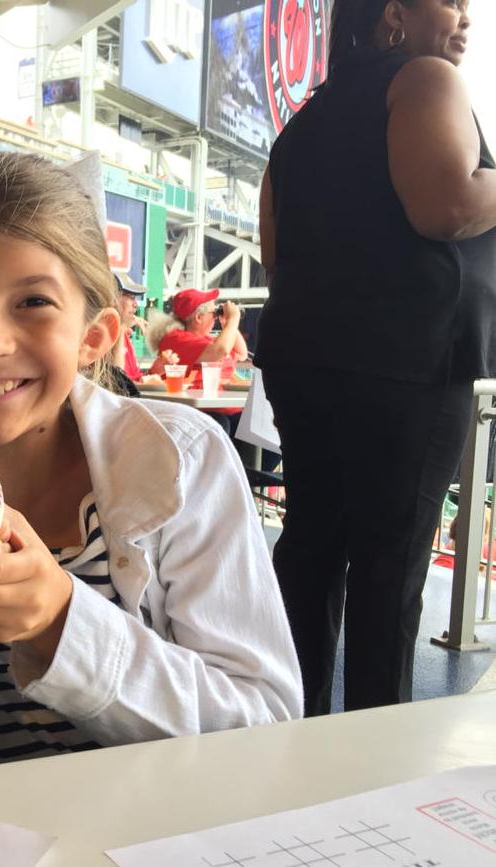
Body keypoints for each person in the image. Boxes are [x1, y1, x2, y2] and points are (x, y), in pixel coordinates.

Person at [0, 150, 302, 782]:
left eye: (33, 302)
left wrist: (58, 621)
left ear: (94, 336)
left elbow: (266, 725)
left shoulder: (182, 460)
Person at [257, 0, 496, 715]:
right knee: (389, 568)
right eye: (449, 2)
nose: (467, 18)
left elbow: (275, 256)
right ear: (394, 12)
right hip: (409, 364)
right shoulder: (424, 80)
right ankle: (371, 761)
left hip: (306, 357)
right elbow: (446, 206)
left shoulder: (305, 120)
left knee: (311, 549)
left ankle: (286, 728)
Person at [147, 287, 248, 433]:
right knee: (219, 424)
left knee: (261, 424)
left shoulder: (208, 339)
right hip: (200, 410)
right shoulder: (177, 339)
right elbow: (219, 351)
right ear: (198, 317)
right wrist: (234, 319)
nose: (215, 317)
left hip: (226, 408)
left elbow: (241, 353)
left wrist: (228, 324)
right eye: (214, 313)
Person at [110, 272, 176, 383]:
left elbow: (133, 381)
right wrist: (120, 329)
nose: (135, 304)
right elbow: (117, 385)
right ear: (112, 299)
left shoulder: (123, 335)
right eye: (131, 297)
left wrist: (154, 371)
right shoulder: (103, 335)